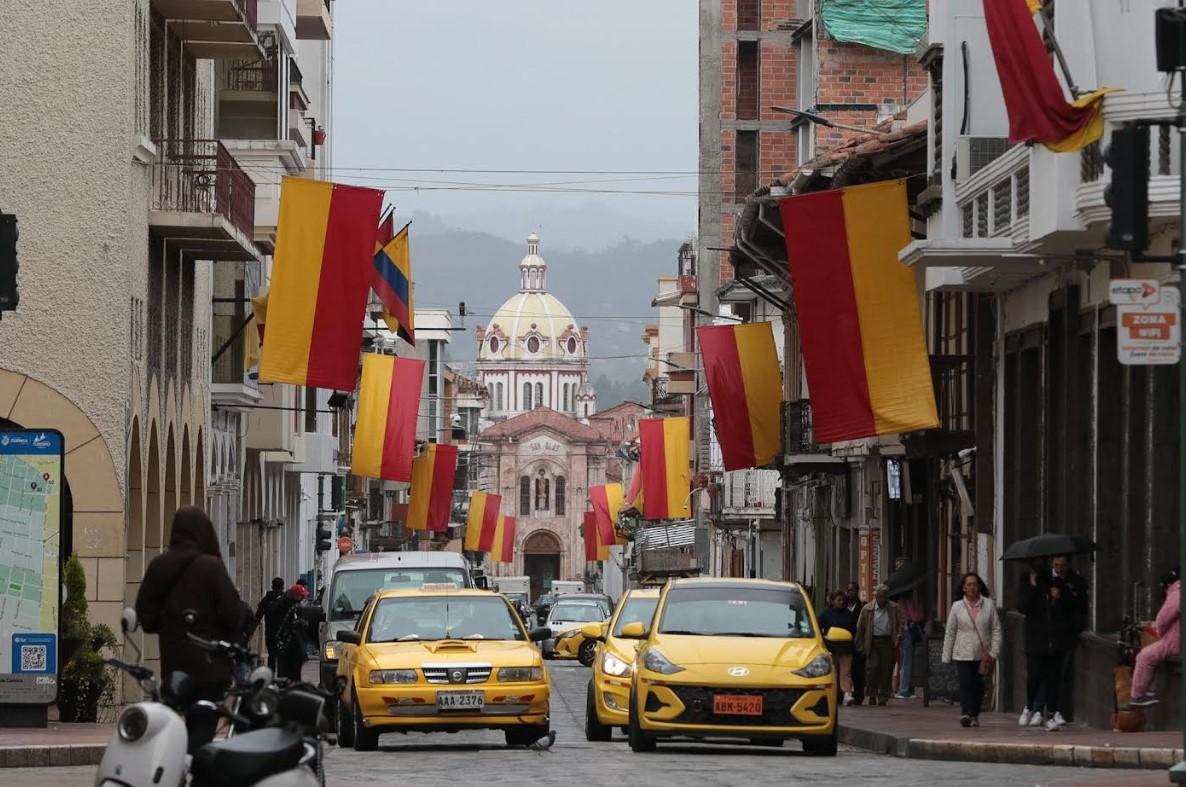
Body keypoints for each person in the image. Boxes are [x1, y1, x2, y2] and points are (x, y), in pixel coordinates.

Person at [135, 507, 245, 751]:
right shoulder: (212, 567)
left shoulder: (159, 565)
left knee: (173, 723)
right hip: (210, 665)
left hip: (174, 665)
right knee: (203, 727)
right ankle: (195, 764)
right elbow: (233, 614)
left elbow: (146, 616)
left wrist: (171, 626)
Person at [1017, 558, 1074, 731]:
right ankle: (1029, 706)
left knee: (1053, 678)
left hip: (1054, 638)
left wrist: (1058, 596)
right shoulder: (1026, 581)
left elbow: (1070, 606)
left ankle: (1051, 714)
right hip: (1035, 639)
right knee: (1034, 675)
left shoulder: (1054, 582)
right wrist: (1033, 586)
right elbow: (1023, 607)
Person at [942, 572, 1002, 728]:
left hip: (982, 654)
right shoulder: (957, 606)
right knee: (965, 683)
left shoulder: (988, 605)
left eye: (974, 584)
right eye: (968, 585)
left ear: (979, 586)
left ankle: (974, 713)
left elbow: (996, 629)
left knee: (978, 686)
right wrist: (946, 655)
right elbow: (950, 632)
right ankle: (966, 713)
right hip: (962, 653)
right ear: (963, 588)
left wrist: (994, 652)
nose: (972, 587)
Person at [1130, 568, 1180, 706]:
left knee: (1144, 656)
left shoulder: (1177, 593)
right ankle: (1150, 691)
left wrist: (1158, 629)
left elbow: (1163, 619)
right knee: (1152, 654)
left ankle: (1138, 696)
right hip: (1176, 637)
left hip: (1175, 641)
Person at [1051, 554, 1089, 722]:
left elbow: (1079, 604)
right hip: (1050, 632)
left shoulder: (1076, 581)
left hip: (1068, 633)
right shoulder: (1047, 580)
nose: (1059, 569)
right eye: (1056, 565)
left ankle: (1061, 710)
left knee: (1064, 673)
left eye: (1063, 565)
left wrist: (1062, 596)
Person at [856, 583, 901, 706]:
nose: (883, 599)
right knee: (872, 668)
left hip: (888, 641)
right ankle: (872, 694)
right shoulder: (867, 609)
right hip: (873, 641)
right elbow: (860, 627)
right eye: (880, 596)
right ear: (875, 596)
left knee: (886, 669)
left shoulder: (894, 608)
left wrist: (898, 636)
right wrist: (860, 645)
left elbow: (900, 624)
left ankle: (883, 695)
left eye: (885, 596)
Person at [818, 590, 857, 706]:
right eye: (838, 600)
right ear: (832, 601)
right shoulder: (825, 614)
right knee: (832, 672)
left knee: (846, 672)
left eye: (842, 600)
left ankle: (847, 694)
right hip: (831, 648)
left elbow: (854, 630)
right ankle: (832, 694)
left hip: (846, 648)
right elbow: (818, 628)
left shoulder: (848, 614)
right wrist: (824, 639)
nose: (841, 602)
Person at [273, 583, 311, 681]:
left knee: (285, 670)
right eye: (302, 596)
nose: (303, 598)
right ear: (296, 596)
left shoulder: (281, 603)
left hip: (283, 641)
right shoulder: (295, 608)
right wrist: (303, 623)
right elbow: (293, 624)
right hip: (292, 643)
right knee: (294, 671)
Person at [251, 577, 287, 671]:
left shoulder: (267, 599)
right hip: (283, 633)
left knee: (272, 656)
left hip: (270, 631)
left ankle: (271, 674)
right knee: (282, 656)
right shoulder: (285, 599)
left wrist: (251, 629)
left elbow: (258, 616)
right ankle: (281, 675)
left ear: (272, 586)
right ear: (283, 586)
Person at [895, 591, 924, 699]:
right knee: (907, 662)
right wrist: (918, 606)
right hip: (907, 633)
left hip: (901, 634)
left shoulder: (897, 603)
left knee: (903, 662)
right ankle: (904, 690)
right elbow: (916, 617)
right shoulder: (907, 603)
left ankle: (903, 688)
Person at [846, 581, 866, 705]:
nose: (849, 593)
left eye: (852, 590)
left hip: (858, 642)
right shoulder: (843, 606)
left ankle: (859, 696)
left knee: (858, 671)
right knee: (845, 671)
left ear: (857, 591)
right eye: (848, 590)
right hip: (844, 643)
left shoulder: (862, 607)